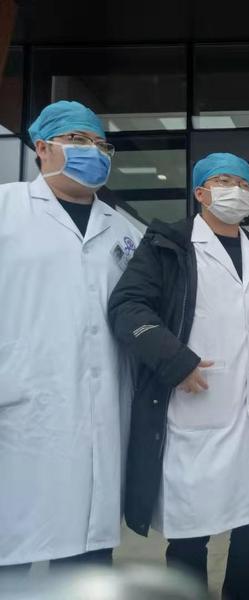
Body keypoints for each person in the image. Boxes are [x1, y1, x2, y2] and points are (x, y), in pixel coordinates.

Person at [107, 153, 249, 599]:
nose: (237, 191)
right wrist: (175, 360)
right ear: (201, 193)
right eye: (225, 181)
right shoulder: (168, 244)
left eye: (244, 184)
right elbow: (127, 307)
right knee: (191, 535)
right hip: (193, 410)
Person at [0, 101, 141, 571]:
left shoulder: (124, 231)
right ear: (42, 148)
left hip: (101, 413)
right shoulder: (6, 208)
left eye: (101, 144)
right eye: (79, 141)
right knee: (12, 549)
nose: (93, 152)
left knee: (87, 560)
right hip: (20, 411)